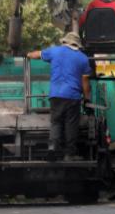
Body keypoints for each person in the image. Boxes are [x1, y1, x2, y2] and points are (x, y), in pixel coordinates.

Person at [27, 32, 92, 161]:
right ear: (77, 45)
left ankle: (52, 147)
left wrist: (27, 54)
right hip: (73, 96)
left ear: (65, 42)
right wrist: (87, 99)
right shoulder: (83, 58)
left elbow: (37, 54)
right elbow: (85, 83)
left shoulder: (55, 51)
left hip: (56, 94)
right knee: (70, 124)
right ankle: (69, 154)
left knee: (56, 122)